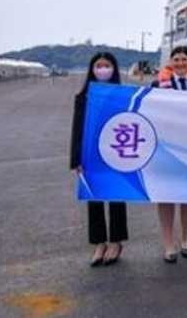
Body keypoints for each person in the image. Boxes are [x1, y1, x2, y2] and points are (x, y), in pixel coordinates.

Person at [70, 52, 128, 267]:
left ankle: (116, 241)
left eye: (107, 65)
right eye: (98, 65)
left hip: (116, 151)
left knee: (116, 196)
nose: (103, 69)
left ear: (114, 69)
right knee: (93, 199)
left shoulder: (122, 94)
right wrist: (76, 159)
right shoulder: (83, 97)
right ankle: (99, 243)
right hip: (90, 153)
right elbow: (77, 130)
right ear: (92, 69)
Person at [150, 45, 187, 263]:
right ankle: (168, 243)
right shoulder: (158, 85)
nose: (180, 63)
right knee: (165, 196)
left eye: (184, 59)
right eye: (176, 59)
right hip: (165, 147)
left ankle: (185, 239)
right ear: (170, 62)